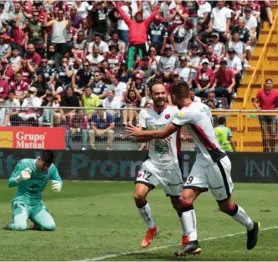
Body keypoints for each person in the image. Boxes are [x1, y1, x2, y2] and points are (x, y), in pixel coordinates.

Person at [126, 80, 259, 256]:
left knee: (226, 206)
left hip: (215, 161)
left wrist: (140, 133)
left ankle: (251, 226)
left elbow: (164, 133)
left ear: (172, 96)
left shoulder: (185, 113)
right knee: (184, 200)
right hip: (201, 161)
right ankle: (192, 241)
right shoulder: (201, 106)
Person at [131, 81, 188, 249]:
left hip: (171, 165)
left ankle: (185, 235)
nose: (161, 96)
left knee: (178, 204)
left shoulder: (175, 111)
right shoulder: (145, 113)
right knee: (138, 196)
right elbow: (138, 137)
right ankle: (152, 228)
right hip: (152, 163)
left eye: (163, 92)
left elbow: (144, 134)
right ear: (150, 95)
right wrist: (146, 135)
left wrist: (147, 134)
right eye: (157, 93)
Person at [4, 150, 63, 231]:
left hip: (37, 205)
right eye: (44, 165)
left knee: (51, 227)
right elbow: (10, 183)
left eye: (48, 166)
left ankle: (36, 224)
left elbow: (58, 180)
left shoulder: (51, 168)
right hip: (21, 203)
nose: (46, 168)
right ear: (39, 159)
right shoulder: (24, 163)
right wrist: (19, 178)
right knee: (20, 227)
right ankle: (11, 224)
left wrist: (59, 184)